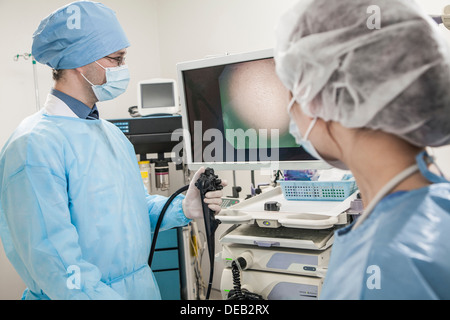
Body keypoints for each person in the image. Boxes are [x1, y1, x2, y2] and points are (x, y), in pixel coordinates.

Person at [0, 1, 224, 300]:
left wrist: (182, 208)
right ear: (81, 59)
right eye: (116, 59)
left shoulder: (111, 134)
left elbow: (131, 211)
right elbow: (57, 265)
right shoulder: (33, 146)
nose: (123, 69)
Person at [275, 0, 450, 299]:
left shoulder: (386, 265)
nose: (291, 110)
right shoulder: (437, 205)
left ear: (321, 96)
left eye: (294, 91)